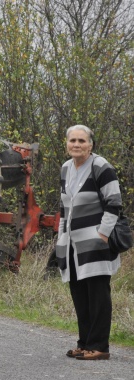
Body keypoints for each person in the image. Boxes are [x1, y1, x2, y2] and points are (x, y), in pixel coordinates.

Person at [56, 124, 122, 361]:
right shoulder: (65, 168)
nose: (76, 145)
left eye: (81, 141)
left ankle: (99, 346)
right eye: (72, 140)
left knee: (98, 296)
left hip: (95, 245)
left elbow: (114, 204)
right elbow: (64, 208)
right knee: (80, 296)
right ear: (67, 144)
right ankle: (84, 343)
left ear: (91, 144)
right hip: (72, 246)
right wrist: (61, 237)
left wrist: (101, 235)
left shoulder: (101, 167)